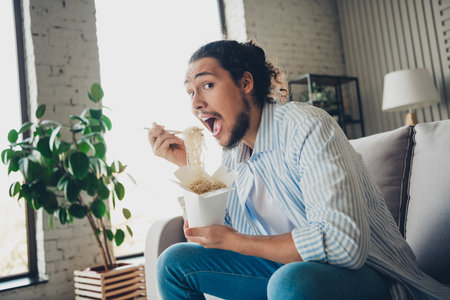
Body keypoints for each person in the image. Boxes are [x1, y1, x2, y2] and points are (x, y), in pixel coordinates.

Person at [148, 40, 449, 300]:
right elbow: (211, 233)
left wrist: (237, 241)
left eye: (208, 85)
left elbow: (345, 246)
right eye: (190, 93)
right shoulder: (233, 156)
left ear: (245, 83)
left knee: (290, 282)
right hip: (285, 273)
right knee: (174, 263)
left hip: (372, 275)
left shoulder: (305, 125)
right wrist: (187, 165)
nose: (197, 104)